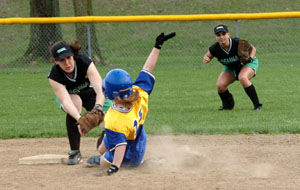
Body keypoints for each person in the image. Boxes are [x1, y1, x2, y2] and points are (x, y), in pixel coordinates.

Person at [84, 32, 176, 175]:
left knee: (102, 152)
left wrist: (115, 166)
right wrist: (157, 46)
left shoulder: (114, 119)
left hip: (127, 156)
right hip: (139, 141)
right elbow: (147, 68)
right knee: (110, 138)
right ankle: (142, 161)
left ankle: (105, 159)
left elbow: (120, 146)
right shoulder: (138, 93)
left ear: (112, 93)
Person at [48, 40, 111, 165]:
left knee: (110, 117)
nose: (67, 63)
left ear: (73, 55)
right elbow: (66, 101)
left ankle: (106, 144)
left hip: (89, 91)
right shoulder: (55, 75)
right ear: (55, 61)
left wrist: (98, 108)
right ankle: (75, 151)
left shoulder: (84, 62)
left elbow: (100, 90)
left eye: (69, 58)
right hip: (70, 96)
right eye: (62, 60)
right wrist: (80, 119)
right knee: (75, 103)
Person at [203, 24, 262, 110]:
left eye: (223, 34)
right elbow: (208, 55)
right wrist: (206, 58)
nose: (221, 37)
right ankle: (228, 106)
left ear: (228, 34)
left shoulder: (237, 42)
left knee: (243, 78)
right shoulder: (215, 48)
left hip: (247, 64)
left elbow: (253, 49)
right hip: (231, 67)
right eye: (218, 35)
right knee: (220, 85)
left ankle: (257, 105)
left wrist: (250, 58)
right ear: (215, 37)